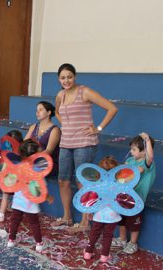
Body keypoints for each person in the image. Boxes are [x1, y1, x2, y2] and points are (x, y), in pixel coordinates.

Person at [52, 63, 118, 232]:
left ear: (75, 77)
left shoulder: (85, 91)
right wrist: (66, 125)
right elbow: (57, 112)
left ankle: (84, 222)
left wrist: (98, 128)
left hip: (84, 143)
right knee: (62, 180)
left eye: (69, 77)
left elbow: (112, 108)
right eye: (63, 78)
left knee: (83, 182)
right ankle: (67, 217)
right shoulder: (60, 94)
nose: (66, 80)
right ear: (59, 79)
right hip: (66, 142)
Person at [5, 139, 54, 252]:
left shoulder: (19, 166)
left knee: (15, 220)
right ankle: (39, 244)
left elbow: (12, 180)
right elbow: (40, 187)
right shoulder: (37, 170)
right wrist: (48, 197)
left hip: (18, 200)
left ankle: (11, 240)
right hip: (30, 202)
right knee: (34, 223)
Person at [111, 133, 155, 254]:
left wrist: (147, 139)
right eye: (131, 148)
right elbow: (121, 178)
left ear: (144, 151)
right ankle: (122, 239)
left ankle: (133, 243)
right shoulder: (129, 161)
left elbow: (150, 157)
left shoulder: (146, 165)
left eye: (134, 149)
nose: (131, 151)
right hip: (123, 196)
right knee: (122, 219)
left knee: (134, 222)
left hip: (137, 199)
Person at [83, 156, 120, 263]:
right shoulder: (118, 185)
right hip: (112, 215)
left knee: (94, 234)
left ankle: (88, 253)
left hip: (99, 215)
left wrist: (89, 212)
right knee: (108, 235)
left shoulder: (97, 185)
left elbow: (91, 199)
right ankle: (104, 256)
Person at [0, 130, 23, 222]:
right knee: (12, 194)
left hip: (8, 179)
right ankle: (9, 207)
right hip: (14, 179)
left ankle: (1, 215)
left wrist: (0, 175)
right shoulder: (18, 154)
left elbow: (8, 169)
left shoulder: (10, 155)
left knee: (5, 196)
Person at [24, 101, 60, 176]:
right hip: (32, 160)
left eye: (41, 110)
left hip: (47, 162)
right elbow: (23, 144)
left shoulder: (55, 130)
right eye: (37, 110)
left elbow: (49, 151)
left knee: (26, 169)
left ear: (48, 113)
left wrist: (32, 160)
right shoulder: (33, 127)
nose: (37, 112)